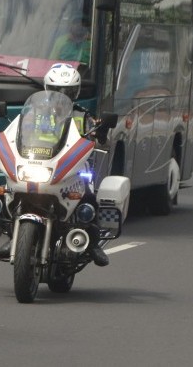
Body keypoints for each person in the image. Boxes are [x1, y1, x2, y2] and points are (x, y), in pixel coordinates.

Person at [42, 63, 109, 267]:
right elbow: (18, 132)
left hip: (75, 167)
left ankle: (94, 243)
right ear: (47, 90)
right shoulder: (35, 114)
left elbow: (98, 138)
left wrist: (100, 131)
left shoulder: (82, 116)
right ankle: (13, 239)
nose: (61, 96)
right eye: (56, 91)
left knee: (89, 196)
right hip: (42, 163)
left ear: (75, 92)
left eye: (67, 92)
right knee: (11, 188)